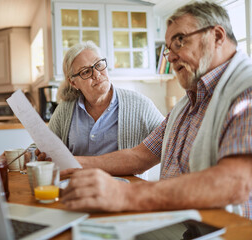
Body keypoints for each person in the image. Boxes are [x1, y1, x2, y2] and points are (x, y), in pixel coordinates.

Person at [58, 1, 252, 219]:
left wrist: (126, 195)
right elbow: (140, 156)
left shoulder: (247, 91)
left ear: (217, 36)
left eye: (180, 41)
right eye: (169, 48)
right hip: (174, 224)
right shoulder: (185, 106)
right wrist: (74, 164)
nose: (170, 56)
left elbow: (236, 182)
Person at [43, 40, 164, 180]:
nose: (96, 74)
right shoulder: (65, 109)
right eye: (86, 71)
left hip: (123, 194)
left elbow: (170, 139)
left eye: (99, 65)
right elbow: (44, 144)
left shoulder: (139, 104)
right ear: (73, 82)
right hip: (77, 190)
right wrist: (37, 152)